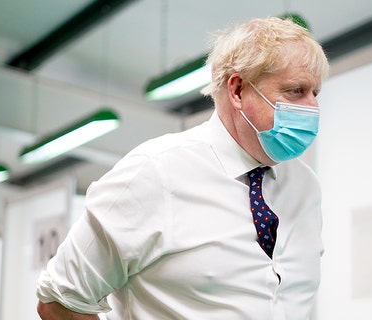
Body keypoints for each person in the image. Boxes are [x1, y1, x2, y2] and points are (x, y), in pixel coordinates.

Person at [36, 16, 329, 319]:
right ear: (238, 90)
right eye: (296, 91)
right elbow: (60, 300)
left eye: (315, 93)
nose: (312, 108)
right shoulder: (154, 172)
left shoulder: (306, 187)